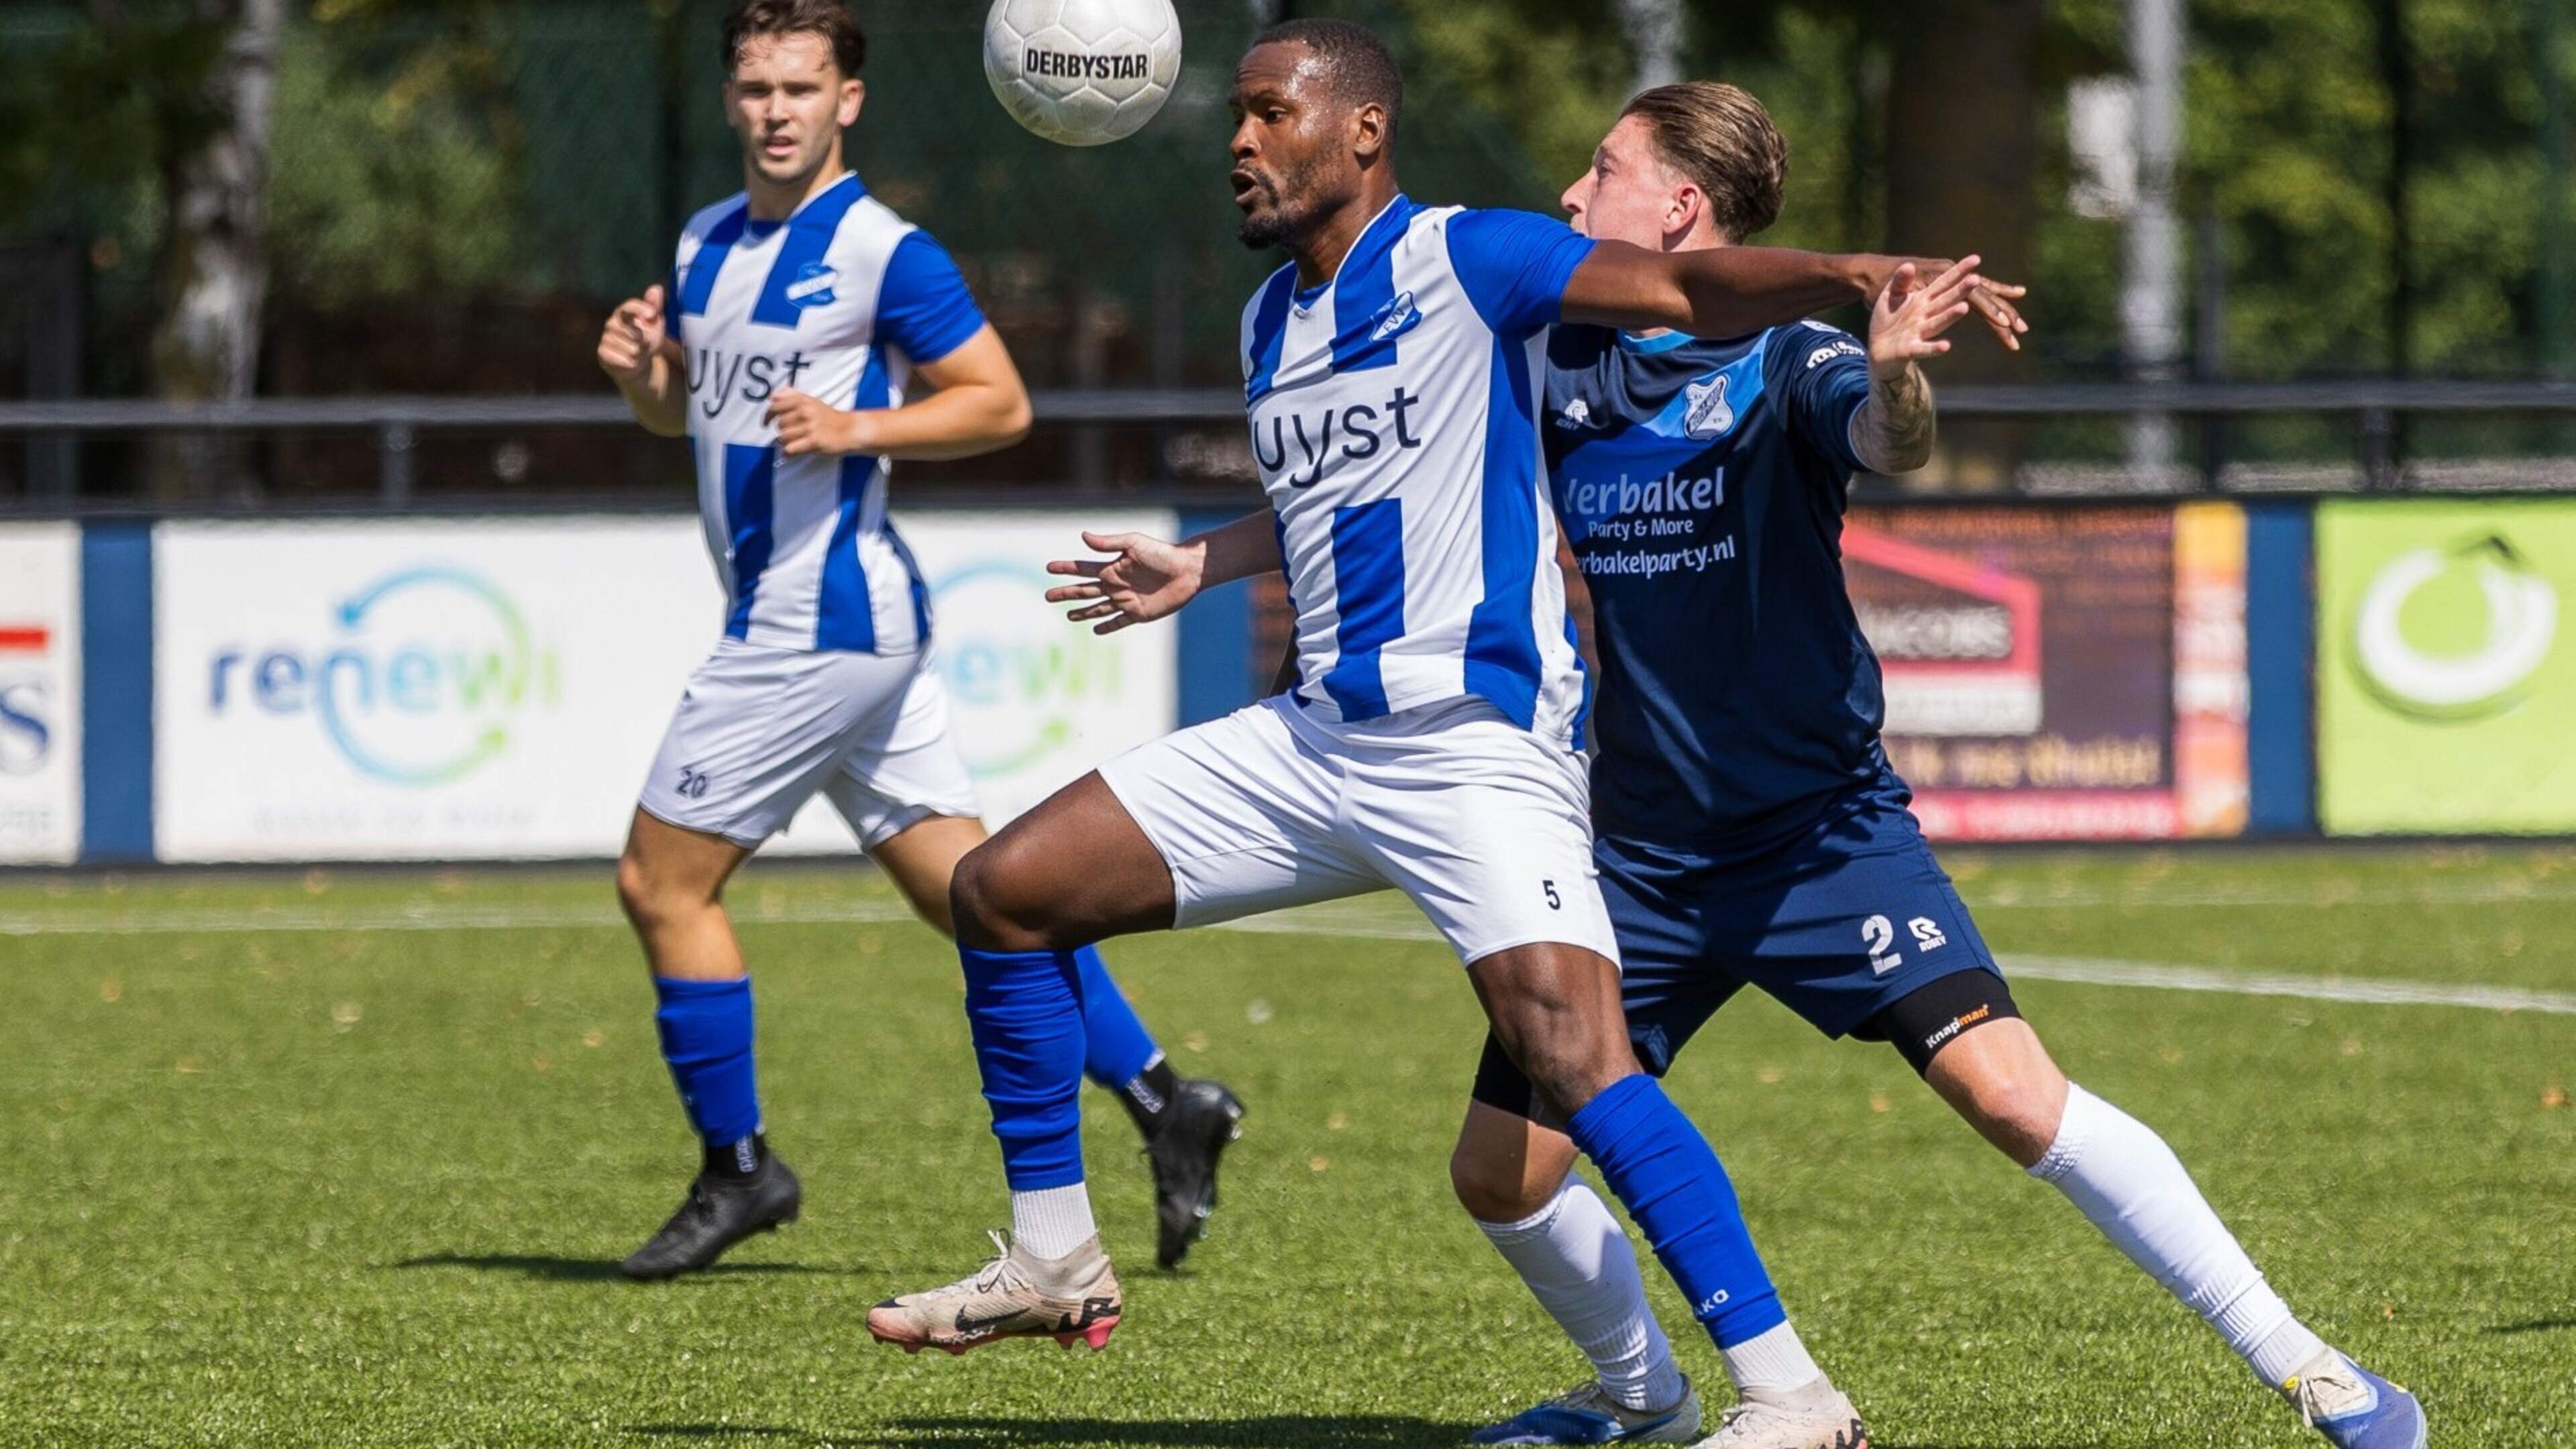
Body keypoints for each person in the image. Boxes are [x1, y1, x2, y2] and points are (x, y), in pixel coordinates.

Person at [1059, 80, 2426, 1449]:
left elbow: (1890, 440)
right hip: (1637, 851)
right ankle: (1641, 1399)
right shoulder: (1556, 361)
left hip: (1819, 836)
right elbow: (1381, 483)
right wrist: (1205, 561)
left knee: (2013, 1097)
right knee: (1499, 1175)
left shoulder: (1787, 356)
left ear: (1680, 208)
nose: (1573, 196)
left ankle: (2315, 1371)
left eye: (1603, 170)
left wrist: (1894, 372)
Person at [863, 17, 2015, 1387]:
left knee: (1575, 1059)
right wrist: (1204, 562)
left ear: (1363, 131)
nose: (1240, 141)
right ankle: (1054, 1257)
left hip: (1472, 743)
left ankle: (1791, 1394)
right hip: (1317, 739)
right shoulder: (1269, 318)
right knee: (1001, 890)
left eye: (1271, 114)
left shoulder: (1474, 255)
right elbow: (1337, 504)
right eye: (1235, 117)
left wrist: (1854, 272)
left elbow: (1682, 290)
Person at [593, 0, 1242, 1284]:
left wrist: (859, 430)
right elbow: (689, 421)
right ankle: (1169, 1102)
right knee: (976, 897)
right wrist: (639, 378)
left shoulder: (885, 251)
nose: (776, 111)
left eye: (801, 87)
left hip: (816, 625)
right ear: (731, 100)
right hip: (836, 622)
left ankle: (740, 1169)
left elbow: (1000, 403)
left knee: (661, 887)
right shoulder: (706, 240)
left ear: (849, 101)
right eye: (756, 88)